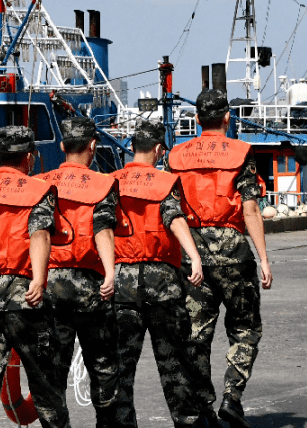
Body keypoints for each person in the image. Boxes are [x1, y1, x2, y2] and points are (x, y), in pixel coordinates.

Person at [168, 89, 272, 428]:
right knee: (244, 328)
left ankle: (203, 408)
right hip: (232, 250)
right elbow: (251, 207)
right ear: (226, 117)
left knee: (196, 335)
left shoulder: (176, 155)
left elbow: (166, 209)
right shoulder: (241, 153)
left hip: (192, 251)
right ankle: (233, 396)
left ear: (197, 119)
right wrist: (264, 259)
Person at [0, 126, 70, 428]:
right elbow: (40, 233)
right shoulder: (38, 190)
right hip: (24, 297)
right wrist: (39, 280)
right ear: (29, 158)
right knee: (46, 389)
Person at [110, 120, 205, 428]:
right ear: (158, 150)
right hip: (162, 281)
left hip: (121, 280)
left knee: (121, 367)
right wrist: (194, 256)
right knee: (174, 363)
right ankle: (187, 422)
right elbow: (173, 217)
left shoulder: (109, 182)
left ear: (132, 148)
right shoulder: (164, 181)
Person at [36, 117, 119, 427]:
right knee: (103, 364)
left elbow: (34, 234)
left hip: (49, 284)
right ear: (93, 146)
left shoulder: (40, 183)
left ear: (62, 146)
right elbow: (104, 229)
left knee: (51, 370)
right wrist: (110, 272)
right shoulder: (104, 183)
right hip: (91, 286)